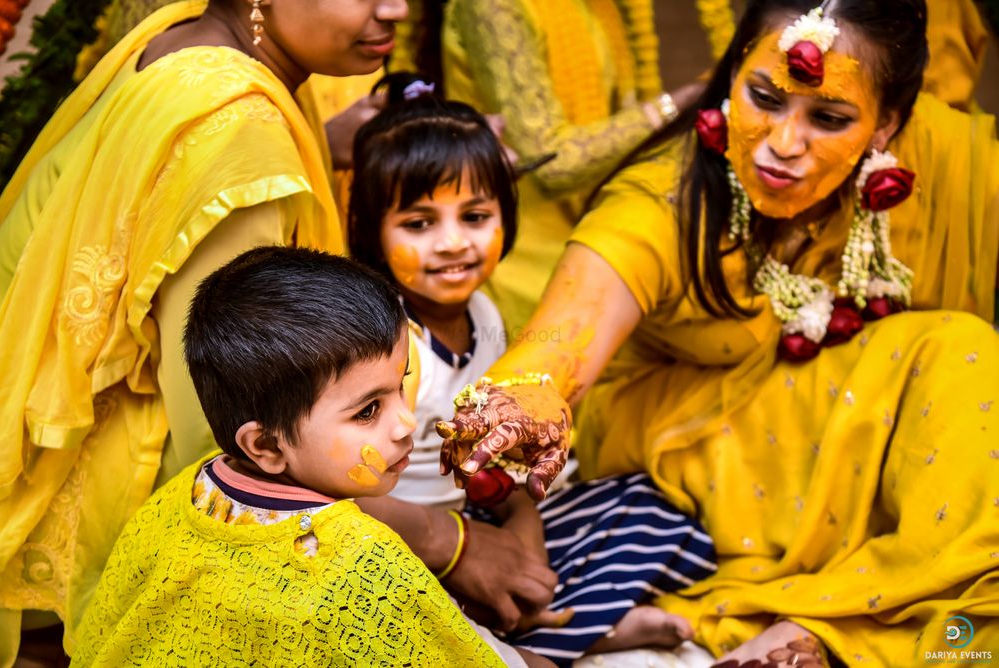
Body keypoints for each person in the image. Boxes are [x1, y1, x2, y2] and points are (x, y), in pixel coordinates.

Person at [435, 0, 999, 665]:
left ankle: (830, 626)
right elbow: (566, 333)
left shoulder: (943, 156)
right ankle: (848, 624)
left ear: (888, 126)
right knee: (960, 351)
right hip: (688, 436)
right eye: (764, 97)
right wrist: (519, 404)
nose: (783, 143)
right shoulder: (664, 198)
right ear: (731, 75)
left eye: (830, 118)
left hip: (852, 414)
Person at [0, 0, 407, 660]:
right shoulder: (233, 124)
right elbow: (224, 444)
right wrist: (446, 544)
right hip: (95, 529)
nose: (397, 9)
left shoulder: (183, 37)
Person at [346, 73, 717, 665]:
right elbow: (344, 499)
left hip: (481, 513)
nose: (452, 244)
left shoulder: (484, 313)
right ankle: (584, 631)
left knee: (654, 504)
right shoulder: (382, 342)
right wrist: (469, 552)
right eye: (419, 224)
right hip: (405, 543)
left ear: (506, 217)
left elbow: (508, 470)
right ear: (370, 231)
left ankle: (555, 620)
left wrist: (527, 551)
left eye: (474, 216)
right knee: (424, 620)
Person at [71, 246, 545, 667]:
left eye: (401, 383)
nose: (405, 424)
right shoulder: (361, 560)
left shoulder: (176, 501)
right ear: (267, 445)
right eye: (368, 410)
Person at [437, 0, 705, 335]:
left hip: (594, 225)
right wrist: (676, 105)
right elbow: (552, 163)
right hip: (520, 249)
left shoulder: (598, 6)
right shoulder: (493, 6)